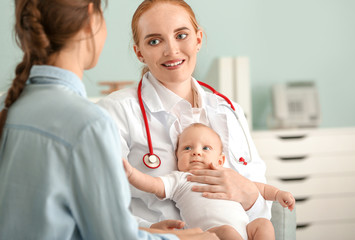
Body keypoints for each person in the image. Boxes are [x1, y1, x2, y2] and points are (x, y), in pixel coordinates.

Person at [0, 0, 219, 240]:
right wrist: (192, 238)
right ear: (91, 18)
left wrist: (145, 231)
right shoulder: (89, 124)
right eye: (154, 40)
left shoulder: (11, 107)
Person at [97, 0, 273, 235]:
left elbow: (262, 211)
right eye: (154, 41)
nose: (171, 50)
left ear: (198, 39)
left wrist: (249, 195)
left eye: (181, 35)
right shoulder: (117, 111)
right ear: (139, 52)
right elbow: (99, 203)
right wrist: (147, 230)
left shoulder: (229, 111)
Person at [123, 123, 295, 240]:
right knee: (227, 231)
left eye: (206, 148)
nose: (196, 153)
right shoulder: (181, 179)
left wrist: (278, 194)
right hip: (210, 234)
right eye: (187, 148)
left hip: (245, 231)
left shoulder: (228, 175)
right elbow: (153, 184)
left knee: (263, 224)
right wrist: (131, 174)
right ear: (177, 157)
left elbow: (259, 189)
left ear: (220, 160)